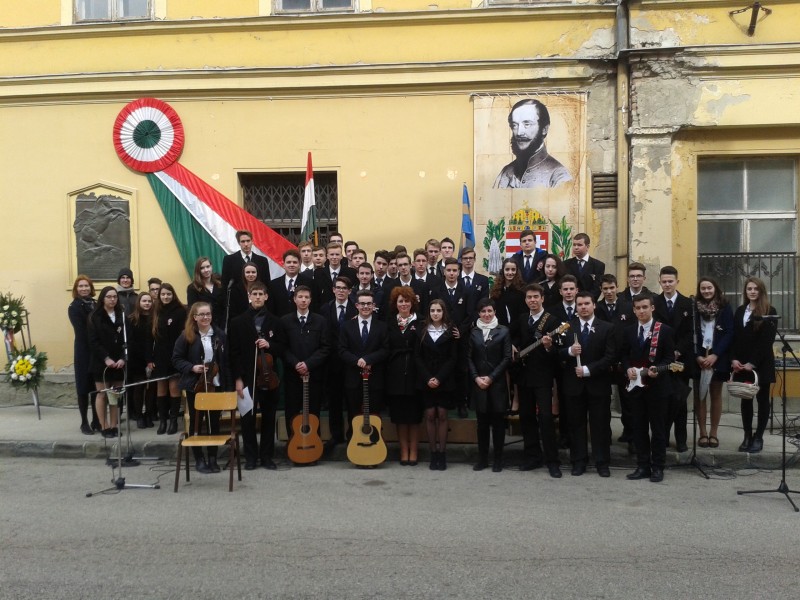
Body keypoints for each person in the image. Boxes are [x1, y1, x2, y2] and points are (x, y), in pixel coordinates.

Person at [228, 282, 287, 470]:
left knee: (269, 418)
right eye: (255, 294)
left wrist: (269, 345)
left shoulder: (276, 321)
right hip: (247, 378)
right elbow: (233, 353)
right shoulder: (237, 322)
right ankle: (251, 457)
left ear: (266, 297)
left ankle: (267, 457)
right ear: (249, 296)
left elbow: (283, 348)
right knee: (248, 419)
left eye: (261, 294)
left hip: (269, 378)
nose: (258, 297)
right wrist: (238, 379)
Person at [559, 291, 616, 477]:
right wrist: (569, 351)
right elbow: (557, 353)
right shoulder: (567, 327)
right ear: (576, 307)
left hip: (598, 385)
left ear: (594, 305)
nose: (583, 307)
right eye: (580, 304)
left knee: (600, 425)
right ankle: (578, 461)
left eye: (586, 304)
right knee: (576, 425)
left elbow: (610, 356)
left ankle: (602, 462)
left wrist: (588, 369)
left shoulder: (607, 328)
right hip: (574, 386)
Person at [172, 302, 230, 474]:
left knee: (214, 422)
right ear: (194, 317)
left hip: (215, 384)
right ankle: (199, 459)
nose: (206, 317)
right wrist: (192, 367)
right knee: (196, 422)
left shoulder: (219, 334)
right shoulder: (186, 335)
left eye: (208, 314)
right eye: (202, 314)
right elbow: (176, 359)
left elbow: (226, 360)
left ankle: (212, 458)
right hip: (195, 385)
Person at [622, 294, 675, 483]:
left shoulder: (664, 330)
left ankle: (658, 467)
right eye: (638, 308)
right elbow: (624, 355)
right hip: (636, 388)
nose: (641, 311)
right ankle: (642, 465)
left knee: (658, 429)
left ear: (652, 308)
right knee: (639, 428)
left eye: (645, 307)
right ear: (634, 310)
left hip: (657, 388)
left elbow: (670, 358)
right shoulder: (628, 331)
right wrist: (627, 368)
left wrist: (657, 370)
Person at [513, 283, 562, 478]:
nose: (532, 300)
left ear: (542, 299)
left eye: (535, 297)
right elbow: (516, 338)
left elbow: (557, 352)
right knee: (526, 418)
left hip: (542, 377)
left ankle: (552, 461)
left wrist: (548, 346)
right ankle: (532, 457)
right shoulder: (522, 318)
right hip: (524, 376)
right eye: (529, 297)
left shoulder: (552, 321)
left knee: (546, 418)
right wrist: (514, 346)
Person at [731, 277, 777, 453]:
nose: (752, 291)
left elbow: (767, 340)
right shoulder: (740, 310)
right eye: (749, 288)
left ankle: (758, 437)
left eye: (756, 289)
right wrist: (734, 359)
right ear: (745, 291)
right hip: (741, 364)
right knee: (746, 399)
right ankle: (747, 436)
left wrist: (753, 362)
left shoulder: (769, 311)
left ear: (761, 291)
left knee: (762, 400)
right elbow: (734, 337)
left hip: (761, 363)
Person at [281, 285, 331, 446]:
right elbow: (283, 348)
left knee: (313, 411)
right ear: (294, 299)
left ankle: (313, 444)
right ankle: (293, 444)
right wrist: (296, 364)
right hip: (293, 375)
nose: (303, 300)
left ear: (310, 300)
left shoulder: (320, 321)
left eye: (306, 297)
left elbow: (325, 347)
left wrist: (308, 364)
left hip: (313, 375)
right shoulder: (285, 321)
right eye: (300, 297)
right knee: (292, 411)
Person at [654, 266, 695, 452]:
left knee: (680, 401)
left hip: (681, 360)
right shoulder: (655, 303)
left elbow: (690, 332)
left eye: (670, 281)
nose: (667, 284)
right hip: (661, 360)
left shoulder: (687, 303)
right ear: (660, 282)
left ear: (677, 282)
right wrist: (667, 352)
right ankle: (662, 437)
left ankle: (681, 439)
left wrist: (678, 350)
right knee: (662, 401)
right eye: (664, 282)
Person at [468, 298, 512, 472]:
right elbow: (469, 358)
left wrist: (491, 378)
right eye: (483, 311)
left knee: (498, 423)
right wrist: (476, 378)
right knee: (482, 424)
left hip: (497, 383)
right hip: (479, 384)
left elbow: (507, 358)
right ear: (479, 313)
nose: (486, 314)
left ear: (494, 312)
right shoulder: (473, 332)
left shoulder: (503, 331)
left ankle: (498, 460)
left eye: (489, 311)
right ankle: (483, 459)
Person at [339, 289, 390, 437]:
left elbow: (386, 349)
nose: (365, 307)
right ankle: (354, 444)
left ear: (374, 305)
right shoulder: (346, 326)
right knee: (353, 414)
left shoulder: (382, 326)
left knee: (374, 414)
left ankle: (374, 443)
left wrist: (369, 360)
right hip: (353, 378)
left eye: (369, 304)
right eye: (362, 304)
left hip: (375, 378)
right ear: (357, 305)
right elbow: (342, 350)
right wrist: (358, 361)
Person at [416, 299, 459, 470]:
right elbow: (417, 357)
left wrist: (439, 378)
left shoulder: (451, 330)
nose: (435, 313)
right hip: (426, 378)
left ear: (443, 312)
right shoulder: (422, 330)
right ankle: (433, 453)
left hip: (444, 379)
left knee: (441, 414)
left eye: (438, 310)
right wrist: (428, 378)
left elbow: (453, 358)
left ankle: (442, 453)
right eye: (432, 310)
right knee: (429, 415)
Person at [595, 274, 635, 448]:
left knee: (628, 400)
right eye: (605, 289)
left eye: (612, 288)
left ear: (617, 287)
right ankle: (605, 435)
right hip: (604, 361)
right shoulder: (596, 308)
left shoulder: (628, 307)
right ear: (601, 290)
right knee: (603, 401)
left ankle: (630, 435)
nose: (609, 292)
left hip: (623, 360)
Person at [693, 277, 734, 449]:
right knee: (700, 396)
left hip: (718, 356)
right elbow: (691, 332)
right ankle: (702, 433)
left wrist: (715, 354)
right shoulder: (694, 307)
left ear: (715, 288)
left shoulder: (725, 307)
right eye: (703, 288)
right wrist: (697, 356)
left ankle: (714, 434)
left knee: (715, 395)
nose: (706, 291)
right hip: (699, 357)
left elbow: (730, 332)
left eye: (709, 287)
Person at [494, 99, 572, 189]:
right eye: (515, 125)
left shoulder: (559, 176)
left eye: (527, 124)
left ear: (544, 129)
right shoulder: (505, 172)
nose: (519, 132)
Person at [385, 287, 423, 466]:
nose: (404, 304)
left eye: (407, 301)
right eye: (400, 301)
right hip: (395, 374)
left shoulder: (421, 321)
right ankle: (403, 450)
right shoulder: (389, 323)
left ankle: (414, 451)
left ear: (412, 303)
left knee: (414, 417)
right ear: (395, 304)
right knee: (399, 416)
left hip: (415, 373)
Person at [320, 276, 357, 451]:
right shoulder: (324, 309)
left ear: (350, 291)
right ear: (333, 289)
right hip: (332, 362)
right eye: (338, 287)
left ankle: (353, 435)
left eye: (344, 288)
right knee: (334, 401)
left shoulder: (356, 308)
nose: (341, 291)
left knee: (352, 401)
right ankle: (336, 435)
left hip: (351, 362)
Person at [88, 286, 127, 438]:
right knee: (102, 395)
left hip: (118, 363)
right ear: (102, 299)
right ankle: (104, 426)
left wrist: (122, 358)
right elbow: (93, 341)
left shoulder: (121, 315)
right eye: (109, 297)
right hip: (101, 362)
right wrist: (106, 358)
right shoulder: (95, 317)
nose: (112, 299)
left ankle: (113, 426)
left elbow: (127, 339)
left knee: (115, 395)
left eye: (115, 297)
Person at [151, 283, 187, 435]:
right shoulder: (155, 311)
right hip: (159, 355)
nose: (166, 297)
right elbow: (150, 337)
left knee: (174, 388)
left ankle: (173, 421)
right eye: (163, 294)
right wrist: (150, 358)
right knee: (161, 389)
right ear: (159, 296)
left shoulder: (180, 311)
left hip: (175, 354)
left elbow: (184, 335)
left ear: (173, 295)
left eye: (168, 294)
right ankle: (163, 421)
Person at [68, 275, 99, 434]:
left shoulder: (95, 304)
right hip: (83, 351)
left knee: (96, 387)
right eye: (80, 286)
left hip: (97, 351)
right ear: (76, 289)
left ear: (91, 288)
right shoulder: (74, 307)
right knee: (83, 387)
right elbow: (81, 331)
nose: (84, 288)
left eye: (86, 286)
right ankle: (84, 422)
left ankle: (96, 420)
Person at [127, 292, 156, 429]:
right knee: (138, 388)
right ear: (139, 302)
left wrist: (150, 359)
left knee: (151, 389)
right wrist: (143, 359)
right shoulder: (132, 319)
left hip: (152, 359)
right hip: (136, 359)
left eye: (149, 301)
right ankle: (139, 415)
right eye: (144, 301)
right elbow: (131, 341)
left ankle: (149, 414)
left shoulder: (156, 318)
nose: (147, 303)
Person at [312, 242, 357, 308]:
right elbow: (317, 295)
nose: (334, 257)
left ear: (341, 256)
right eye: (332, 254)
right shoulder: (318, 273)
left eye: (337, 254)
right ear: (327, 256)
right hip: (325, 310)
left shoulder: (351, 272)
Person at [563, 233, 605, 298]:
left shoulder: (598, 265)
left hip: (589, 301)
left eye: (579, 245)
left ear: (587, 247)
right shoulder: (566, 264)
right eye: (574, 245)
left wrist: (586, 300)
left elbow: (597, 288)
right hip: (571, 301)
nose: (576, 247)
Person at [186, 256, 224, 326]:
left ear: (211, 267)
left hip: (223, 323)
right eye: (202, 268)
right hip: (205, 324)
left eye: (208, 266)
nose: (206, 270)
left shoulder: (220, 282)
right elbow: (192, 310)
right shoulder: (193, 288)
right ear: (198, 270)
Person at [490, 258, 525, 327]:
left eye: (513, 269)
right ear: (503, 271)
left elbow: (523, 314)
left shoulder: (522, 289)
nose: (510, 272)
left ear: (517, 271)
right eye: (507, 269)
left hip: (517, 329)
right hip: (499, 328)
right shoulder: (496, 289)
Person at [268, 249, 303, 317]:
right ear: (283, 264)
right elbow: (271, 308)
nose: (292, 265)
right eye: (288, 262)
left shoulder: (309, 283)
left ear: (299, 265)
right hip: (279, 321)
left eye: (295, 262)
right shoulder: (273, 284)